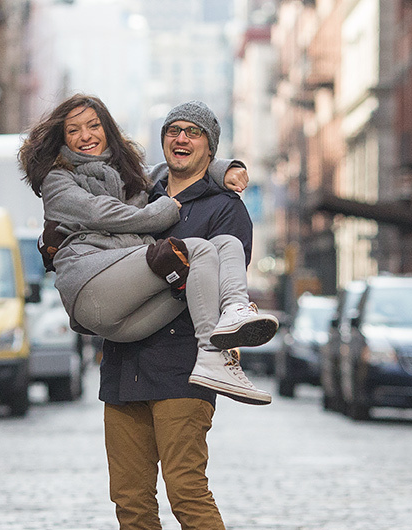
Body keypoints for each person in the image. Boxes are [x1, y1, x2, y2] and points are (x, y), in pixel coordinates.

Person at [89, 100, 254, 530]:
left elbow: (218, 286)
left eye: (193, 133)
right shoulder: (138, 197)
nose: (181, 139)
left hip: (185, 367)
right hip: (124, 363)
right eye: (173, 131)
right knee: (130, 498)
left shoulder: (224, 209)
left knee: (186, 491)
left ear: (209, 145)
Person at [18, 95, 277, 405]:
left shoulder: (132, 178)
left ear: (108, 131)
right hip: (94, 287)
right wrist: (160, 214)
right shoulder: (58, 180)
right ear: (62, 138)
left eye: (93, 125)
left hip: (152, 346)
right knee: (198, 251)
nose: (85, 135)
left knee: (226, 246)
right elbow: (102, 212)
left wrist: (222, 168)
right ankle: (212, 352)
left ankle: (231, 319)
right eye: (73, 130)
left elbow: (161, 172)